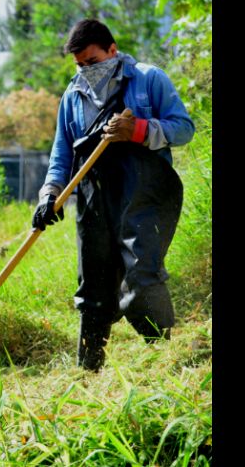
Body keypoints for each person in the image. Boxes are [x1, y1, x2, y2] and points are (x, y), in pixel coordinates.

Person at [31, 19, 195, 372]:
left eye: (92, 62)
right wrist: (50, 193)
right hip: (94, 197)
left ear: (112, 51)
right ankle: (88, 372)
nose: (87, 71)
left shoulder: (148, 79)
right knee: (92, 289)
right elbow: (62, 155)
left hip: (145, 193)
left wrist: (138, 130)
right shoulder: (72, 96)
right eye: (80, 65)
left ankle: (168, 363)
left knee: (141, 276)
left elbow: (184, 128)